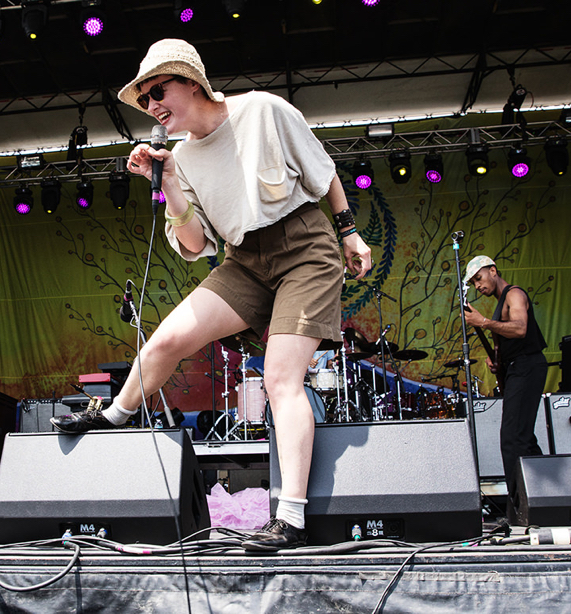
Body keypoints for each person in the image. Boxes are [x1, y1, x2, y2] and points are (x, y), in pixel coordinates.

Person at [51, 39, 372, 551]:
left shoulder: (262, 109)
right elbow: (196, 244)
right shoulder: (180, 156)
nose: (153, 105)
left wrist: (349, 232)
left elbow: (324, 170)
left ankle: (290, 517)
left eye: (159, 90)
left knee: (279, 379)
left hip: (304, 247)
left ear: (192, 82)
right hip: (243, 260)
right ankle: (114, 415)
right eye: (145, 100)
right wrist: (172, 181)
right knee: (162, 342)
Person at [463, 255, 547, 520]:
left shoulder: (514, 294)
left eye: (479, 278)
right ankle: (543, 498)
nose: (478, 286)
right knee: (523, 438)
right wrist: (497, 359)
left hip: (528, 367)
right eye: (474, 283)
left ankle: (520, 508)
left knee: (512, 438)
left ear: (493, 271)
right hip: (516, 368)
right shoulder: (501, 304)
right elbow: (508, 337)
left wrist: (484, 322)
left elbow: (521, 328)